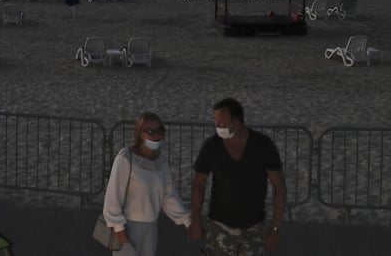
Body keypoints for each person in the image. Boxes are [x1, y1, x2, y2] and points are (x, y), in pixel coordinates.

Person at [189, 98, 286, 256]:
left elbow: (280, 189)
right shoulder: (212, 146)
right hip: (219, 226)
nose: (217, 126)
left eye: (221, 122)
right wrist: (196, 222)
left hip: (254, 228)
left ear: (236, 122)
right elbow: (198, 186)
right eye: (216, 121)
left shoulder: (263, 145)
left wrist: (275, 229)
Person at [102, 112, 190, 255]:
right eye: (150, 131)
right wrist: (119, 228)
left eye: (159, 130)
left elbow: (168, 194)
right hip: (128, 226)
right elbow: (113, 194)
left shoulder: (161, 161)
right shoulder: (126, 157)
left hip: (151, 228)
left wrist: (186, 220)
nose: (155, 135)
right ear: (139, 133)